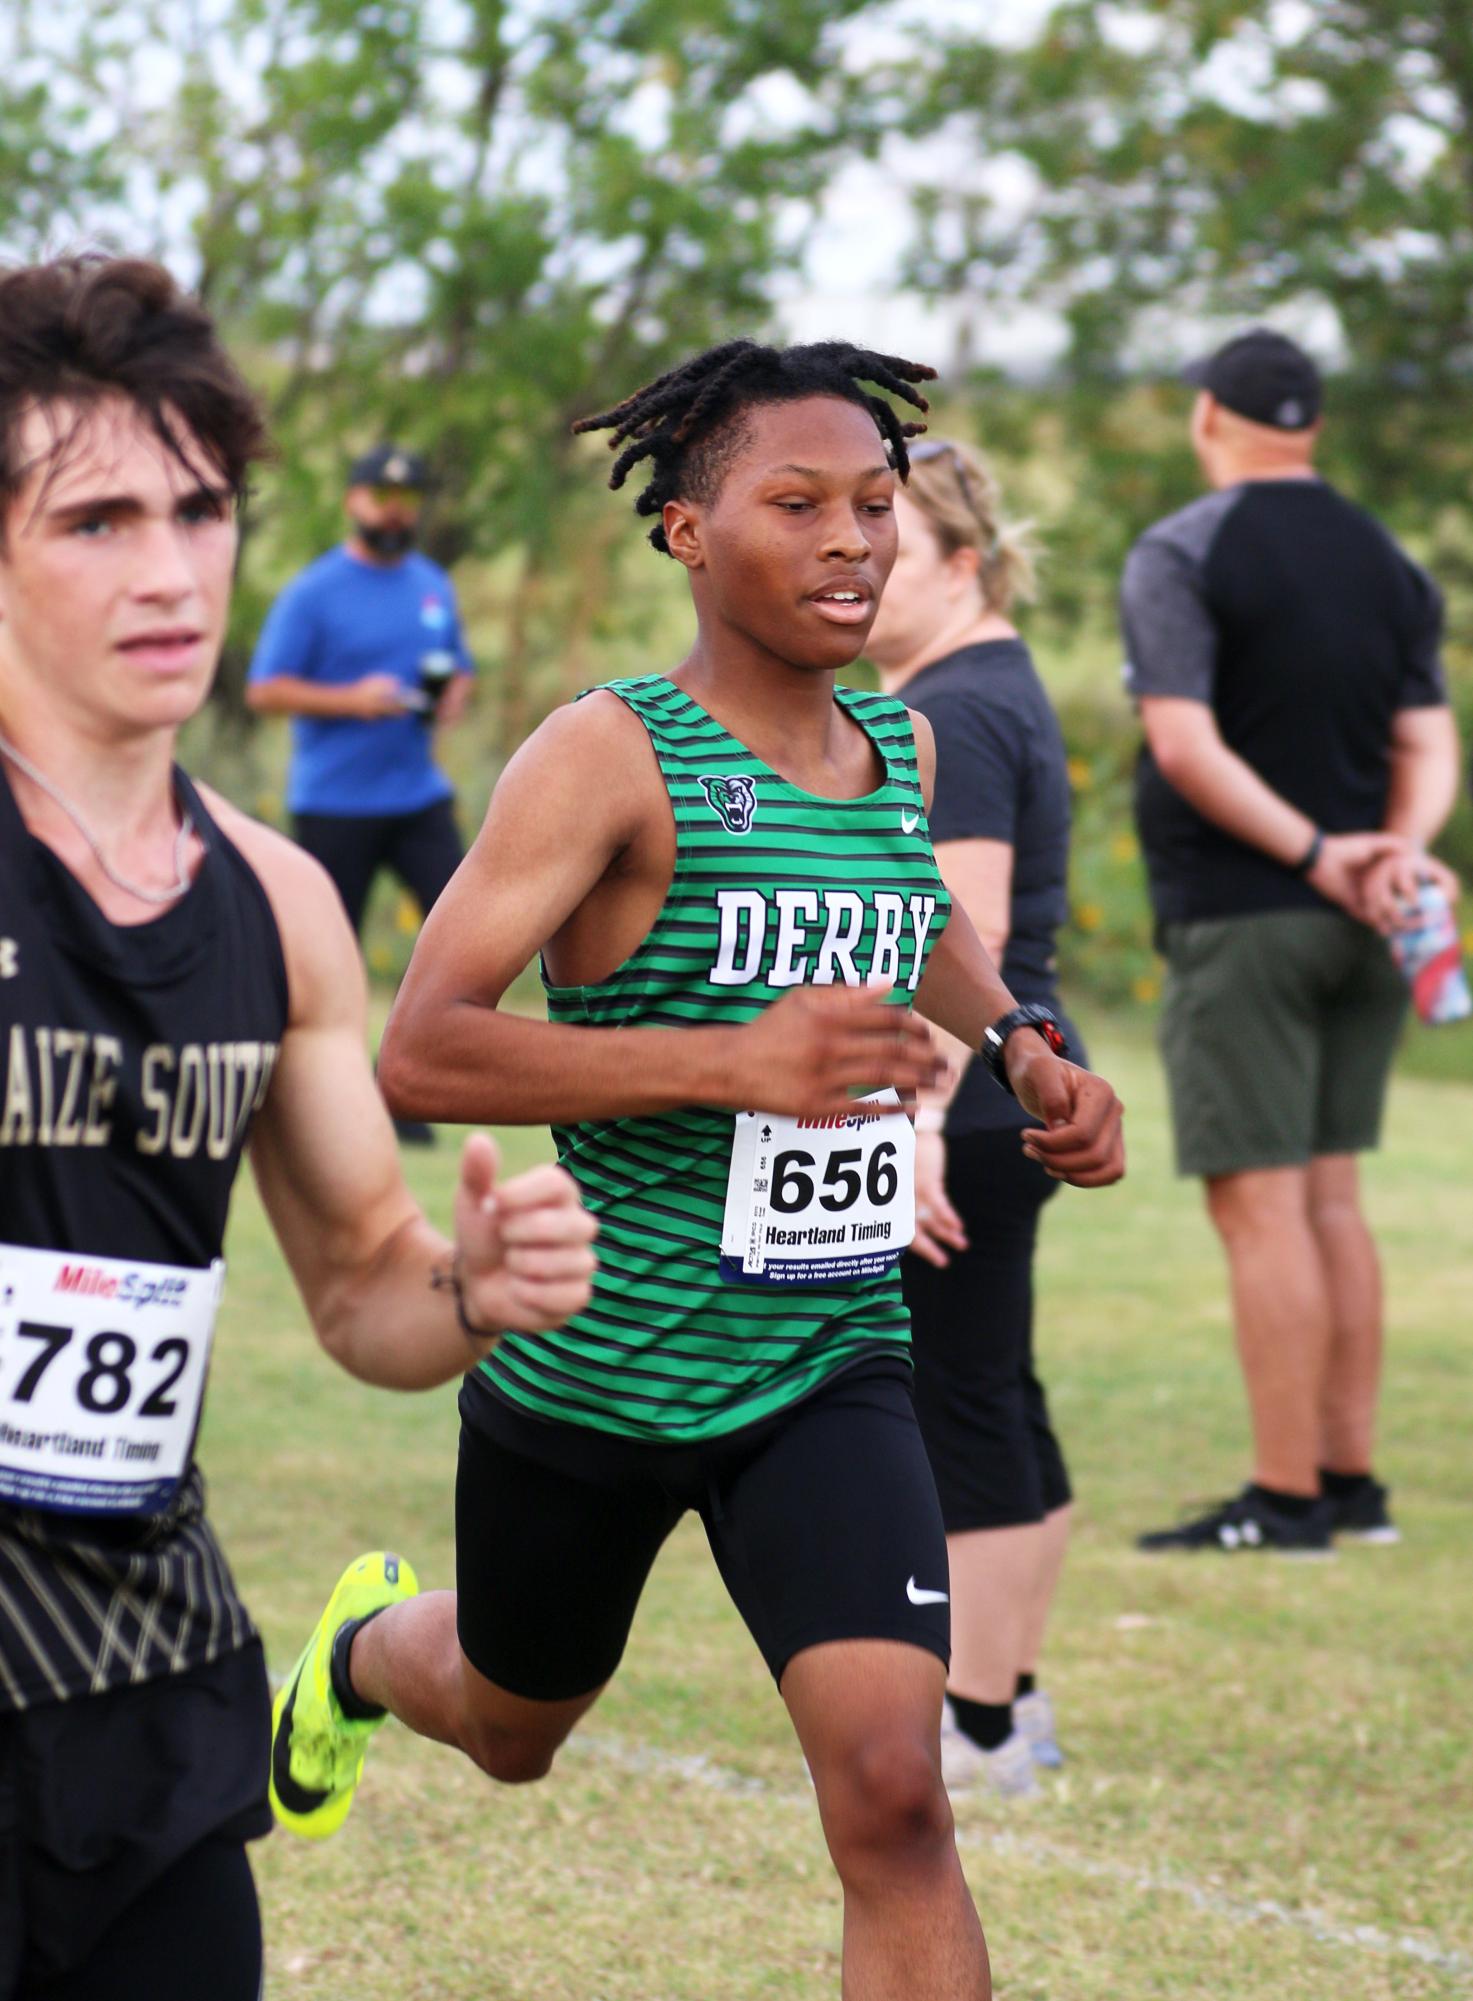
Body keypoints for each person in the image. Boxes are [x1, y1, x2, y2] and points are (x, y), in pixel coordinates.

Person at [272, 339, 1126, 2001]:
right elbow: (425, 1046)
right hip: (598, 1366)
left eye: (874, 505)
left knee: (894, 1803)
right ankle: (369, 1652)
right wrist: (734, 1064)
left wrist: (1024, 1039)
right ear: (683, 531)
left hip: (826, 1355)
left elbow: (921, 919)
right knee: (513, 1726)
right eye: (793, 503)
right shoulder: (610, 752)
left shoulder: (902, 750)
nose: (848, 540)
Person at [0, 253, 596, 2001]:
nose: (172, 570)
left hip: (140, 1672)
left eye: (197, 509)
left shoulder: (277, 909)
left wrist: (471, 1285)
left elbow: (360, 1292)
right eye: (96, 519)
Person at [1121, 327, 1462, 1554]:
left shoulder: (1182, 549)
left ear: (1209, 415)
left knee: (1261, 1210)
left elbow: (1186, 745)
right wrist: (1397, 852)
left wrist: (1321, 855)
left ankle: (1285, 1500)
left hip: (1247, 913)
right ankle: (1351, 1485)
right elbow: (1428, 746)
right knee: (1331, 1200)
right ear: (1311, 426)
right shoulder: (1387, 559)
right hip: (1373, 924)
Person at [864, 438, 1082, 1796]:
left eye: (885, 538)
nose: (856, 565)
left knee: (964, 1409)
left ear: (959, 564)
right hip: (1011, 1102)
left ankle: (985, 1721)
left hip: (976, 1110)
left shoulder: (965, 706)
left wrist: (922, 1129)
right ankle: (1015, 1698)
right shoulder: (987, 683)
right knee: (999, 1394)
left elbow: (970, 928)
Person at [245, 444, 474, 1139]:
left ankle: (398, 1087)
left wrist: (451, 696)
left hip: (416, 796)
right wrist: (352, 699)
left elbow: (456, 667)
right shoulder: (313, 592)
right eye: (381, 496)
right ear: (353, 500)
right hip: (334, 803)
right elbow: (264, 688)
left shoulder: (431, 582)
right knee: (323, 961)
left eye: (406, 498)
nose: (395, 509)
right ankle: (292, 1098)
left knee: (464, 935)